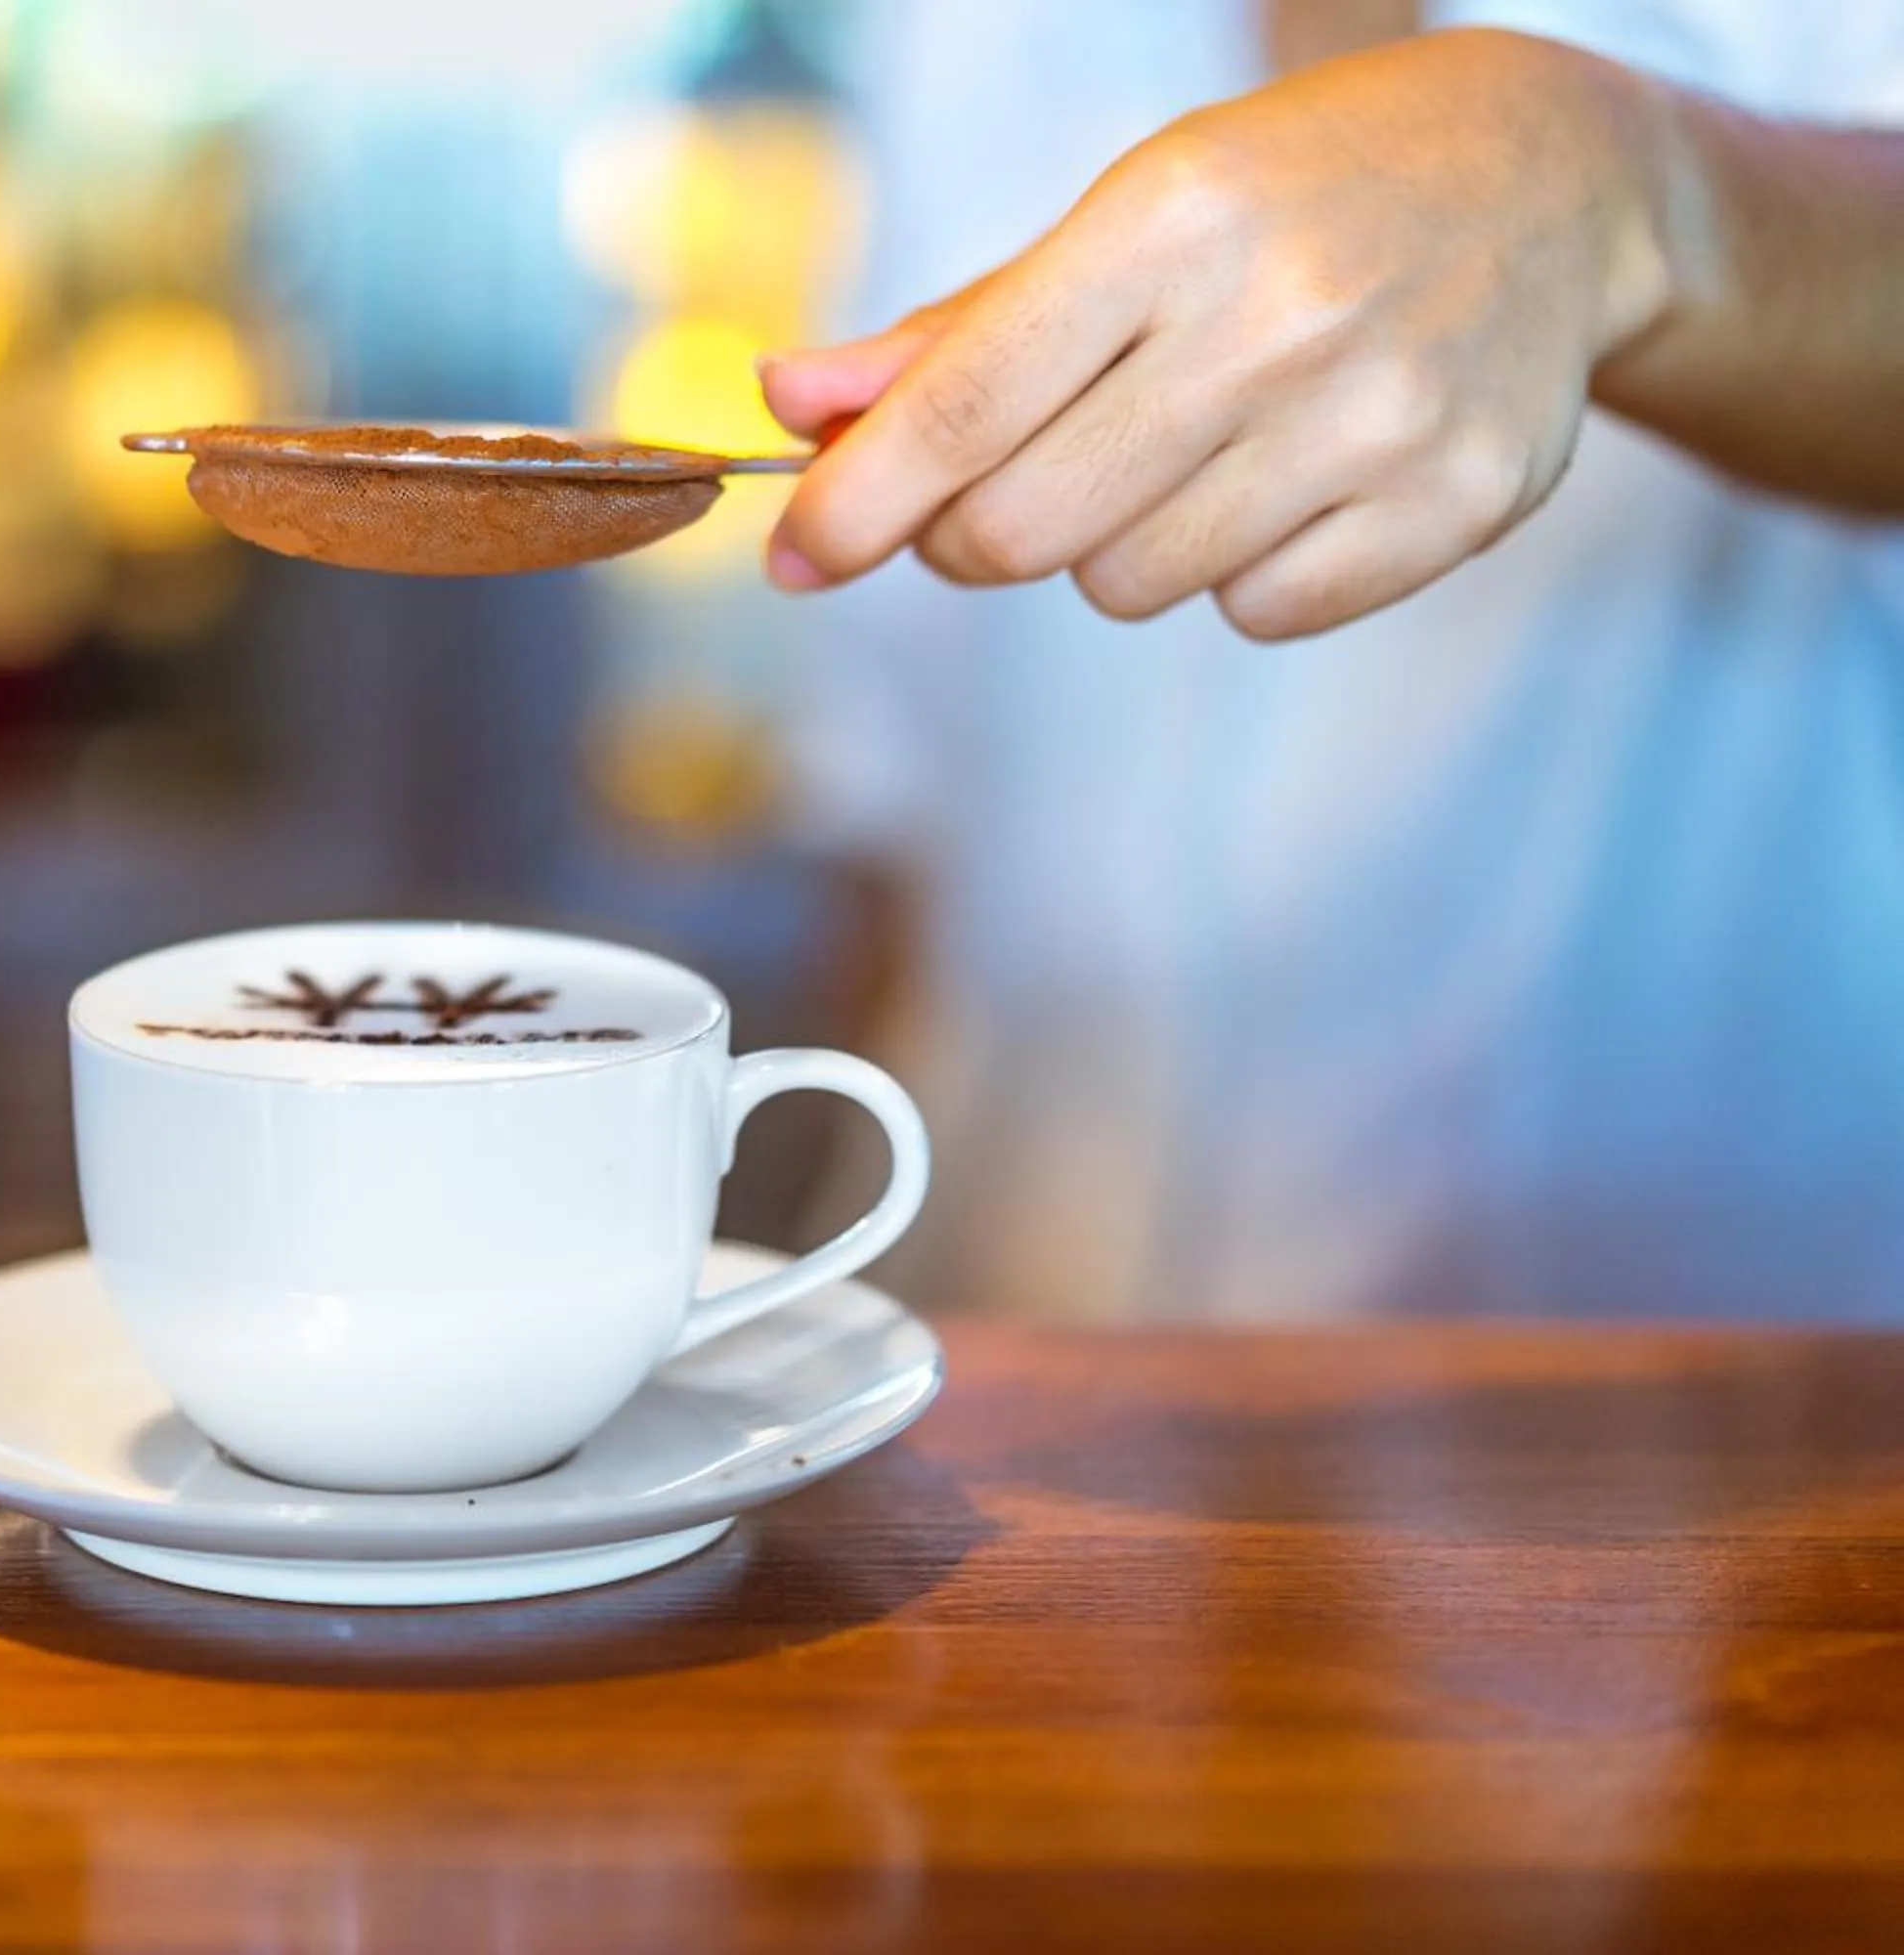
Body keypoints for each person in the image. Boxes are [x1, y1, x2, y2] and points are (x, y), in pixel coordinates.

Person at [767, 0, 1904, 1320]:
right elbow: (898, 804)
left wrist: (1643, 191)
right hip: (1012, 1360)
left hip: (1672, 1419)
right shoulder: (962, 33)